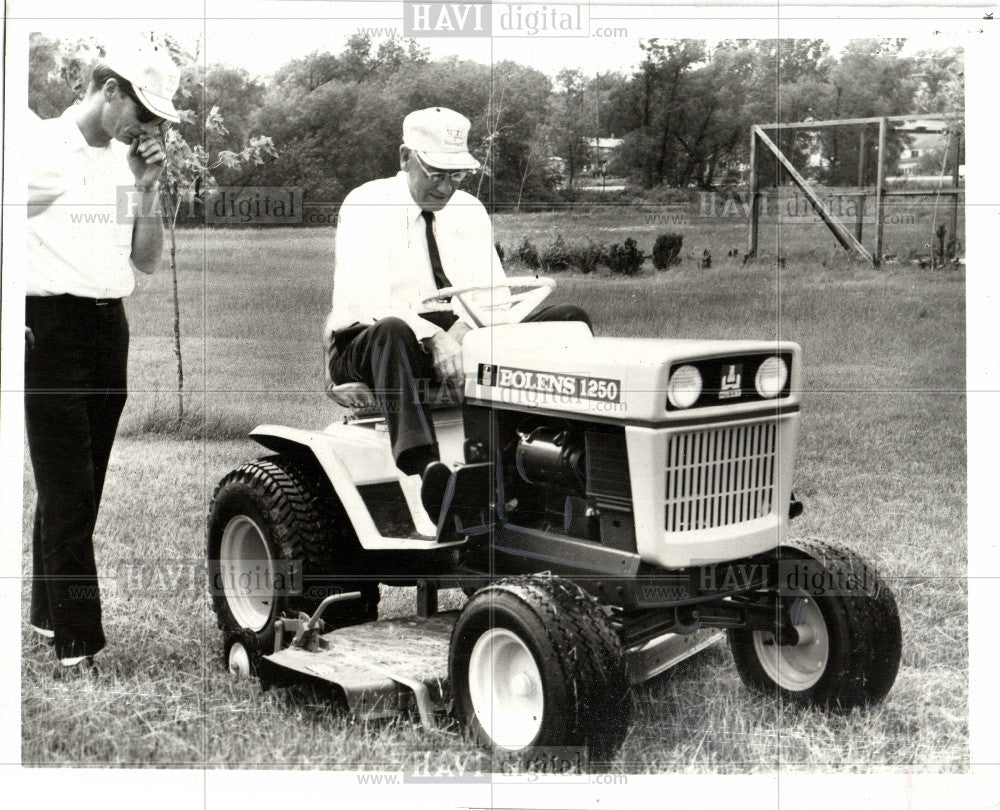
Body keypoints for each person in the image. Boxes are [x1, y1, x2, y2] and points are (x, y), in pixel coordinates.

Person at [324, 107, 590, 484]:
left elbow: (493, 295)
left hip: (458, 332)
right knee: (394, 330)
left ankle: (558, 452)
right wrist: (434, 339)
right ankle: (426, 469)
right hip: (370, 341)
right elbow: (366, 300)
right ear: (405, 158)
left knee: (568, 320)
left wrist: (460, 334)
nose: (446, 188)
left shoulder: (470, 211)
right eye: (435, 174)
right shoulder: (367, 204)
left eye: (457, 175)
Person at [24, 42, 181, 677]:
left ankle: (43, 613)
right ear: (109, 90)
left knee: (80, 486)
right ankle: (77, 643)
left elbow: (144, 260)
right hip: (46, 326)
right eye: (143, 113)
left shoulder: (128, 165)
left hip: (106, 328)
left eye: (159, 120)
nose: (149, 130)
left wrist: (147, 190)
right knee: (68, 491)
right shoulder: (38, 149)